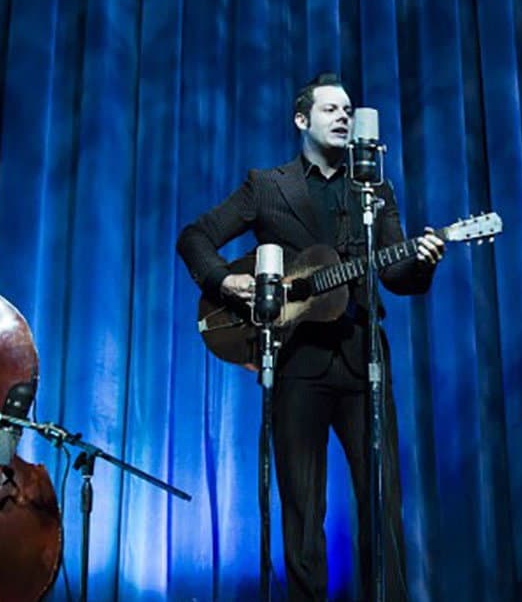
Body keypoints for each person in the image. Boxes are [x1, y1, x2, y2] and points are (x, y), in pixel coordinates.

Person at [176, 73, 445, 601]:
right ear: (303, 120)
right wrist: (228, 281)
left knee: (382, 500)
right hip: (296, 361)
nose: (344, 116)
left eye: (348, 110)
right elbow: (196, 237)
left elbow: (395, 276)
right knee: (302, 511)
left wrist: (423, 260)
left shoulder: (374, 188)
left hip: (363, 356)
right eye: (331, 110)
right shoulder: (267, 185)